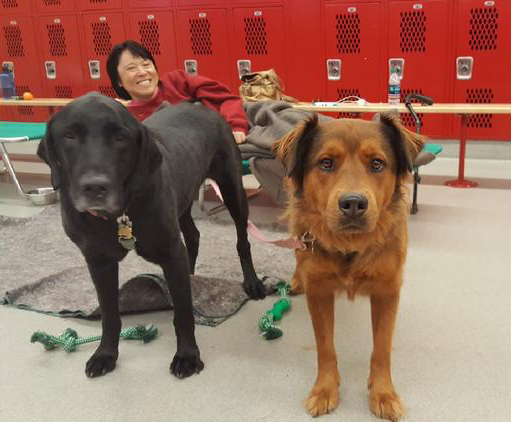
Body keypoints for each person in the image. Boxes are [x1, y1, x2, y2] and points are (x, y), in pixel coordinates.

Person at [106, 40, 248, 144]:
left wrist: (236, 126)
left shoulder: (178, 82)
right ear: (118, 81)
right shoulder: (125, 120)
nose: (142, 72)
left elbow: (225, 99)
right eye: (131, 68)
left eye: (146, 64)